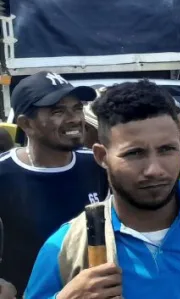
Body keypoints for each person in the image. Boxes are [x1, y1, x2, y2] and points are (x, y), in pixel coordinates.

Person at [25, 80, 180, 298]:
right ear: (102, 157)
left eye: (166, 149)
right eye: (134, 153)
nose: (154, 169)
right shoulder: (65, 248)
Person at [0, 72, 105, 295]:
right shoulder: (4, 173)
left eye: (77, 108)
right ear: (25, 124)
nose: (74, 118)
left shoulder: (99, 165)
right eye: (58, 111)